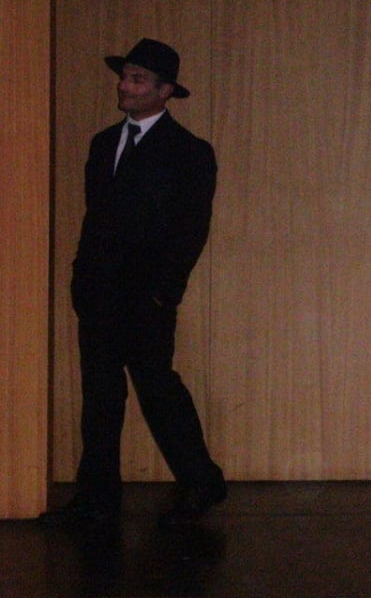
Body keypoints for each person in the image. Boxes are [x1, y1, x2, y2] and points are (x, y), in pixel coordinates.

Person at [41, 38, 226, 528]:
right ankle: (97, 498)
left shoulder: (189, 152)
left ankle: (201, 482)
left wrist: (165, 291)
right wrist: (82, 275)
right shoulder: (104, 143)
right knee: (100, 396)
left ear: (165, 91)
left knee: (156, 388)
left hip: (147, 296)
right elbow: (97, 218)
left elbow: (192, 228)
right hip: (99, 290)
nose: (124, 85)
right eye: (124, 76)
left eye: (137, 78)